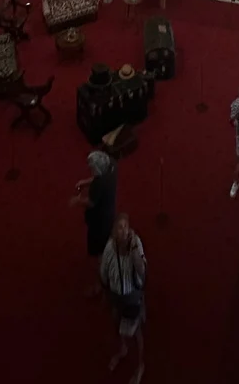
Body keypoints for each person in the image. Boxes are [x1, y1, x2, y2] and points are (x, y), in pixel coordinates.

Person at [99, 213, 146, 384]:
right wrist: (106, 293)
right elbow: (103, 273)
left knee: (135, 333)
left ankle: (140, 365)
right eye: (120, 227)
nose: (124, 231)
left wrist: (134, 252)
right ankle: (122, 348)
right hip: (115, 297)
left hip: (132, 298)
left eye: (126, 227)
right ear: (113, 233)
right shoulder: (110, 249)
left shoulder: (136, 244)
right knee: (116, 324)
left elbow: (143, 272)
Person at [70, 151, 117, 295]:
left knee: (99, 254)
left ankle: (100, 283)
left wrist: (77, 201)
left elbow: (91, 202)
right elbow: (98, 177)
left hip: (98, 222)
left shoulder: (99, 184)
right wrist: (86, 182)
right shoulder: (112, 170)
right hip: (109, 215)